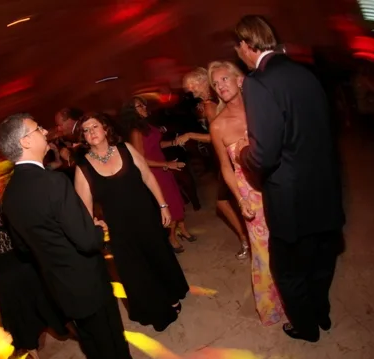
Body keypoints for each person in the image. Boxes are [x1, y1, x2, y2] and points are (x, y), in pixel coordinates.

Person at [0, 113, 159, 359]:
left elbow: (22, 247)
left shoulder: (9, 196)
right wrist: (97, 230)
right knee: (110, 331)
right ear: (25, 142)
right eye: (37, 129)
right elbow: (86, 240)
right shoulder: (53, 182)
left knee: (89, 336)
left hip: (57, 282)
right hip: (85, 274)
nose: (44, 131)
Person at [234, 15, 345, 342]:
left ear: (247, 44)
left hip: (290, 197)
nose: (238, 53)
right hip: (324, 187)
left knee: (288, 269)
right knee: (321, 260)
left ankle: (306, 327)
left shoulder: (257, 82)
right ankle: (321, 313)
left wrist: (242, 153)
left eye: (237, 47)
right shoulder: (305, 73)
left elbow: (264, 155)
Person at [74, 113, 189, 332]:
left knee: (158, 257)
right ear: (84, 138)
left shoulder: (125, 149)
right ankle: (157, 311)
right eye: (86, 130)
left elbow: (148, 176)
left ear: (105, 128)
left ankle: (171, 294)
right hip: (120, 230)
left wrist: (163, 205)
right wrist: (94, 227)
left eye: (95, 126)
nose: (91, 132)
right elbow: (84, 209)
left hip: (146, 217)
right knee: (137, 272)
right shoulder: (84, 168)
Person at [207, 61, 284, 326]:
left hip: (278, 183)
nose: (220, 86)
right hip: (250, 192)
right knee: (263, 250)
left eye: (224, 79)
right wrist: (240, 199)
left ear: (239, 80)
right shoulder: (218, 126)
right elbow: (225, 168)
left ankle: (297, 296)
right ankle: (273, 306)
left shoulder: (259, 110)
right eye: (215, 84)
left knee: (288, 241)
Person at [0, 178, 68, 359]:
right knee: (43, 299)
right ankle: (69, 331)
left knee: (19, 313)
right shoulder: (3, 211)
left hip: (7, 273)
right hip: (26, 263)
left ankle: (36, 358)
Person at [183, 68, 250, 259]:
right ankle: (247, 236)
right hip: (224, 158)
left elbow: (215, 137)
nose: (190, 90)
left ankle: (246, 239)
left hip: (227, 158)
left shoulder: (210, 104)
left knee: (224, 202)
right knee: (229, 201)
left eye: (192, 85)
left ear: (202, 81)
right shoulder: (210, 102)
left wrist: (190, 135)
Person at [121, 97, 195, 252]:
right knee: (168, 204)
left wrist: (174, 142)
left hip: (162, 168)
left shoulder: (146, 125)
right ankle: (171, 237)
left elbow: (156, 144)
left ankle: (182, 230)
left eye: (143, 104)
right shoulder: (136, 131)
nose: (144, 107)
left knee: (177, 200)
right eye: (139, 106)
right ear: (132, 112)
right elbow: (141, 160)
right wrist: (167, 164)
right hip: (154, 172)